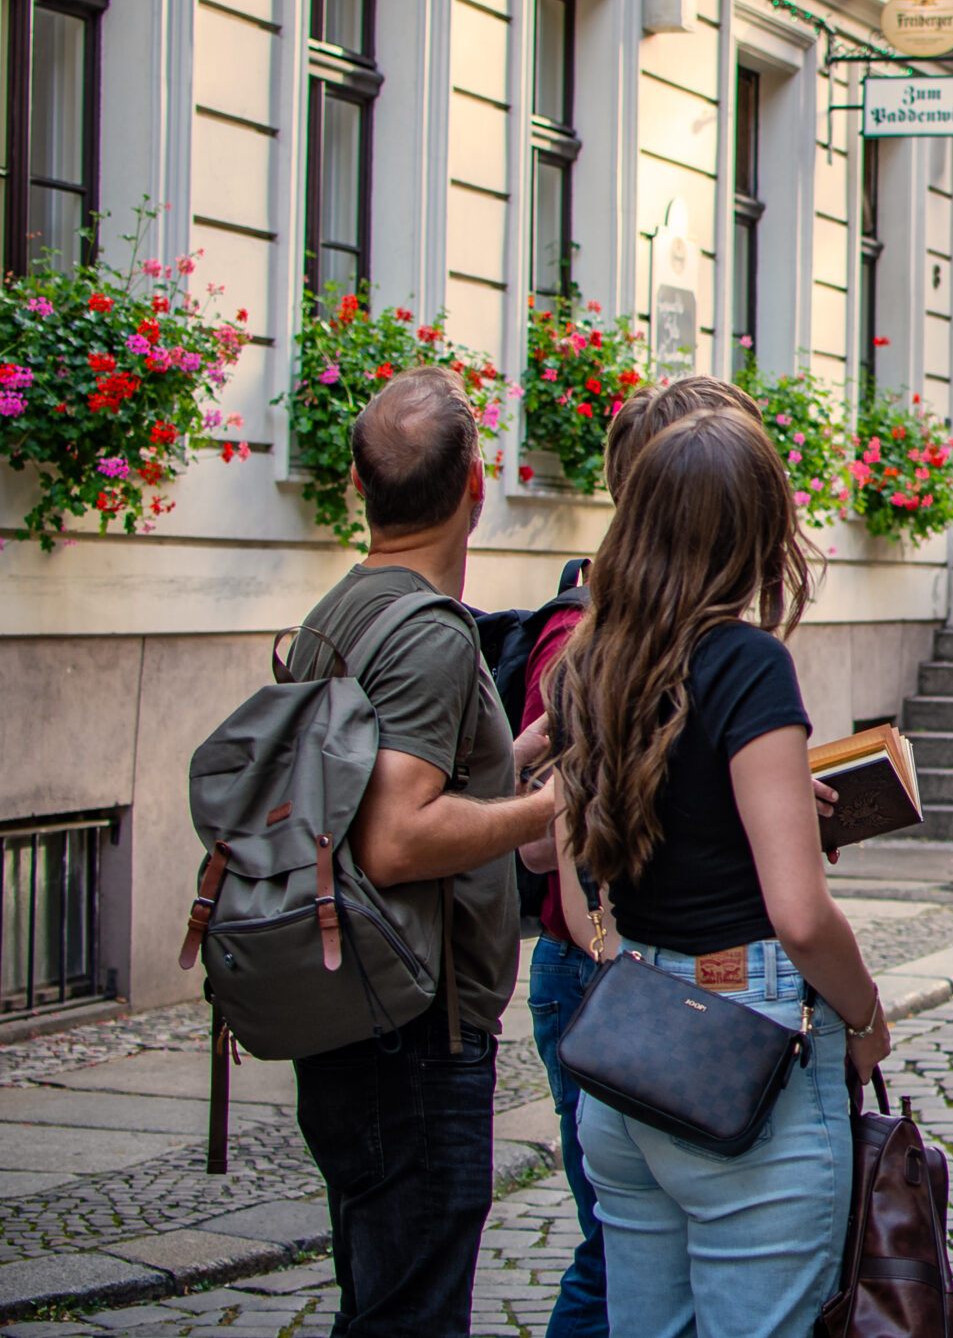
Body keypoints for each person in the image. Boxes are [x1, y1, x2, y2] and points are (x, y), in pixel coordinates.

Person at [542, 405, 892, 1338]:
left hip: (630, 1051)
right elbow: (801, 913)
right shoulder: (746, 663)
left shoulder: (592, 659)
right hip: (746, 1046)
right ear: (759, 532)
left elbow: (574, 881)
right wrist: (863, 1015)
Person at [284, 366, 560, 1338]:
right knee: (412, 1315)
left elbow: (378, 786)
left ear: (358, 489)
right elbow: (397, 835)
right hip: (413, 1028)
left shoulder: (339, 612)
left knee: (381, 1297)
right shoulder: (432, 635)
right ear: (476, 491)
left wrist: (513, 760)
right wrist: (547, 808)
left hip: (354, 1015)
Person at [512, 375, 767, 1338]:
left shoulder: (679, 641)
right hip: (609, 978)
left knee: (645, 1259)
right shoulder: (588, 641)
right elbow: (545, 845)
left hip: (637, 976)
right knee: (615, 1262)